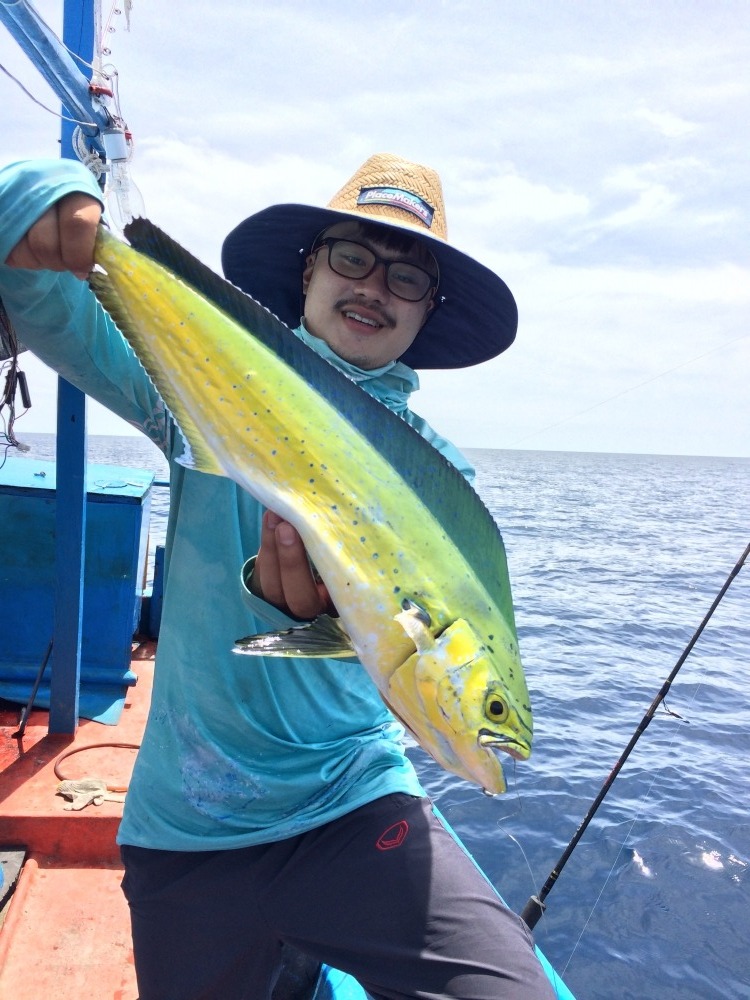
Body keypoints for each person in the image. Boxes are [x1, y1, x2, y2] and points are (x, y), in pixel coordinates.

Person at [0, 152, 556, 1000]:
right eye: (352, 258)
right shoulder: (190, 392)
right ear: (307, 272)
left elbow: (362, 629)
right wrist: (44, 198)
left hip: (350, 804)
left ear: (427, 316)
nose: (375, 286)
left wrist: (334, 629)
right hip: (187, 828)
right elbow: (40, 297)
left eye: (408, 276)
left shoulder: (444, 484)